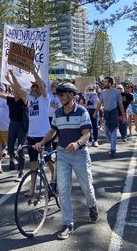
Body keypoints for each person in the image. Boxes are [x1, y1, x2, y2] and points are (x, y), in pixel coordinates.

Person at [33, 82, 98, 240]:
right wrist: (42, 142)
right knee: (63, 191)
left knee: (87, 187)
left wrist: (77, 143)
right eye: (58, 95)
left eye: (62, 95)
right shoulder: (58, 113)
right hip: (62, 154)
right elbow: (52, 131)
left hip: (80, 154)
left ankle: (92, 205)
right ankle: (68, 223)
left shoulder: (82, 112)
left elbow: (86, 134)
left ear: (71, 95)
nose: (59, 97)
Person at [11, 69, 55, 187]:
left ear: (40, 88)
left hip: (44, 135)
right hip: (32, 135)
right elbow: (19, 88)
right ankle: (33, 188)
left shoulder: (45, 98)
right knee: (33, 162)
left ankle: (54, 179)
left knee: (48, 159)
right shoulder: (32, 99)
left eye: (35, 86)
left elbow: (41, 85)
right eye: (33, 86)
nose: (33, 88)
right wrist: (11, 75)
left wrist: (32, 69)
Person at [96, 77, 126, 158]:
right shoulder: (103, 92)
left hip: (114, 113)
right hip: (106, 113)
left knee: (113, 132)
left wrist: (123, 115)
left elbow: (120, 104)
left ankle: (113, 149)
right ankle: (113, 143)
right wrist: (96, 112)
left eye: (105, 82)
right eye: (104, 82)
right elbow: (100, 104)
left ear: (110, 83)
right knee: (106, 131)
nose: (104, 83)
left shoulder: (116, 92)